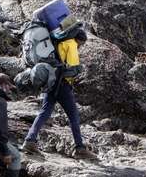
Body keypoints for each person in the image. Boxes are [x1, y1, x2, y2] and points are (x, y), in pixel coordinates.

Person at [22, 27, 97, 160]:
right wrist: (78, 70)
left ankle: (29, 141)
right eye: (82, 44)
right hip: (62, 85)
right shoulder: (72, 45)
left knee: (44, 112)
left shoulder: (58, 43)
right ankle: (79, 148)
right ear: (79, 40)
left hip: (50, 82)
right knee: (73, 116)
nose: (80, 47)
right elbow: (72, 69)